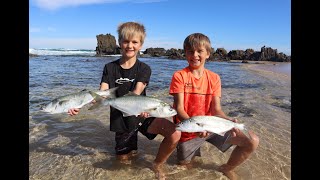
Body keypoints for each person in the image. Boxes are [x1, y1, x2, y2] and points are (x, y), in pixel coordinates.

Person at [68, 21, 181, 179]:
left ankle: (158, 164)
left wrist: (146, 110)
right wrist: (79, 104)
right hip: (121, 119)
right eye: (126, 41)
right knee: (123, 162)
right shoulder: (109, 67)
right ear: (119, 42)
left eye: (134, 42)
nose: (130, 45)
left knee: (175, 133)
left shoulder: (144, 69)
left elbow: (137, 91)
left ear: (140, 44)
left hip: (143, 115)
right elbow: (103, 92)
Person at [169, 33, 259, 180]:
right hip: (189, 131)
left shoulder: (214, 78)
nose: (195, 55)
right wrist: (197, 128)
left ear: (208, 54)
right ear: (185, 53)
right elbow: (179, 108)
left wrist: (229, 121)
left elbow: (216, 110)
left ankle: (227, 168)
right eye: (190, 51)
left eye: (200, 51)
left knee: (252, 141)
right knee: (185, 169)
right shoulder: (179, 76)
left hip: (212, 127)